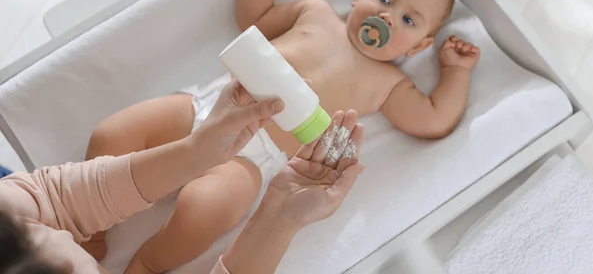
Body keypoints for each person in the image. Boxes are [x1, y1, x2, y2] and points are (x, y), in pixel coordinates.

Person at [85, 0, 481, 272]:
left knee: (204, 209)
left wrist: (455, 72)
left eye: (408, 19)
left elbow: (434, 120)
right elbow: (253, 20)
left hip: (256, 159)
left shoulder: (388, 84)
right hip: (213, 107)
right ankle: (89, 227)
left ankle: (148, 265)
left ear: (418, 47)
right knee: (112, 134)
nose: (386, 16)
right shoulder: (316, 12)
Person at [0, 79, 364, 274]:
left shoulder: (11, 218)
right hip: (217, 124)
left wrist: (195, 152)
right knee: (202, 206)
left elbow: (53, 198)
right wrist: (281, 219)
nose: (64, 242)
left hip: (242, 142)